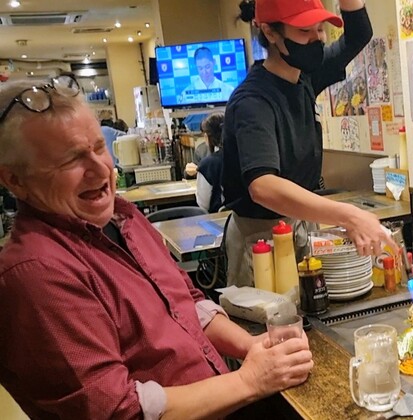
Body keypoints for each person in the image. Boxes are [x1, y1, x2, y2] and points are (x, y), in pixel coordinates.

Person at [0, 77, 312, 418]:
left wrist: (251, 346)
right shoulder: (36, 274)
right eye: (70, 160)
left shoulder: (123, 216)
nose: (99, 170)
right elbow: (119, 411)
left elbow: (187, 302)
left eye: (98, 148)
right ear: (14, 180)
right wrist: (250, 381)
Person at [222, 0, 396, 286]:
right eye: (305, 31)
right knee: (271, 326)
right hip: (260, 238)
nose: (317, 39)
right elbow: (263, 186)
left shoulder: (305, 77)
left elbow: (358, 34)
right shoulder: (253, 101)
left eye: (320, 29)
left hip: (300, 224)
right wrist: (349, 215)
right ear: (271, 32)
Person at [196, 112, 225, 213]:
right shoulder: (244, 157)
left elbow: (203, 204)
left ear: (207, 136)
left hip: (216, 222)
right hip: (243, 220)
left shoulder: (207, 164)